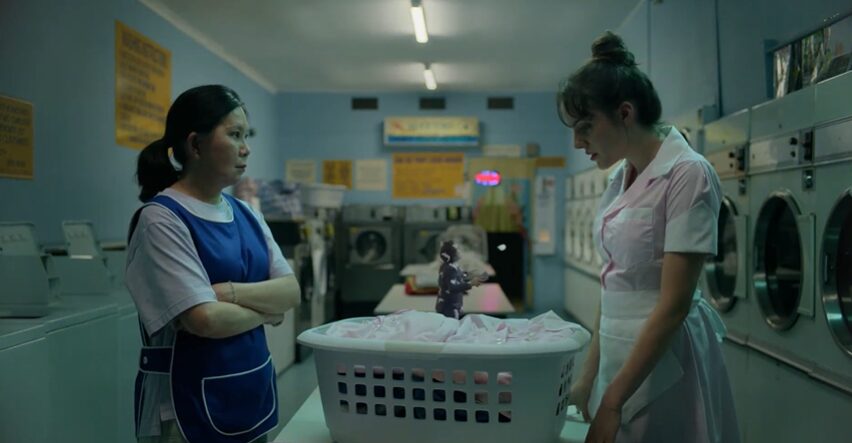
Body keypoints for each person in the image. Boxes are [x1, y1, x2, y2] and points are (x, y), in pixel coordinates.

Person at [558, 32, 739, 442]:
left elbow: (672, 306)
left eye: (586, 126)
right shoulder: (620, 178)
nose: (577, 141)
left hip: (666, 363)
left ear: (625, 113)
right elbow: (614, 281)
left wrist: (613, 401)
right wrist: (590, 379)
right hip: (619, 360)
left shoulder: (688, 174)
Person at [125, 85, 301, 443]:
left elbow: (291, 291)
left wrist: (231, 294)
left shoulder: (247, 214)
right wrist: (267, 312)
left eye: (246, 135)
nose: (246, 147)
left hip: (251, 393)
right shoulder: (162, 219)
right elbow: (204, 319)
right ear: (195, 145)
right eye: (234, 135)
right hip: (183, 407)